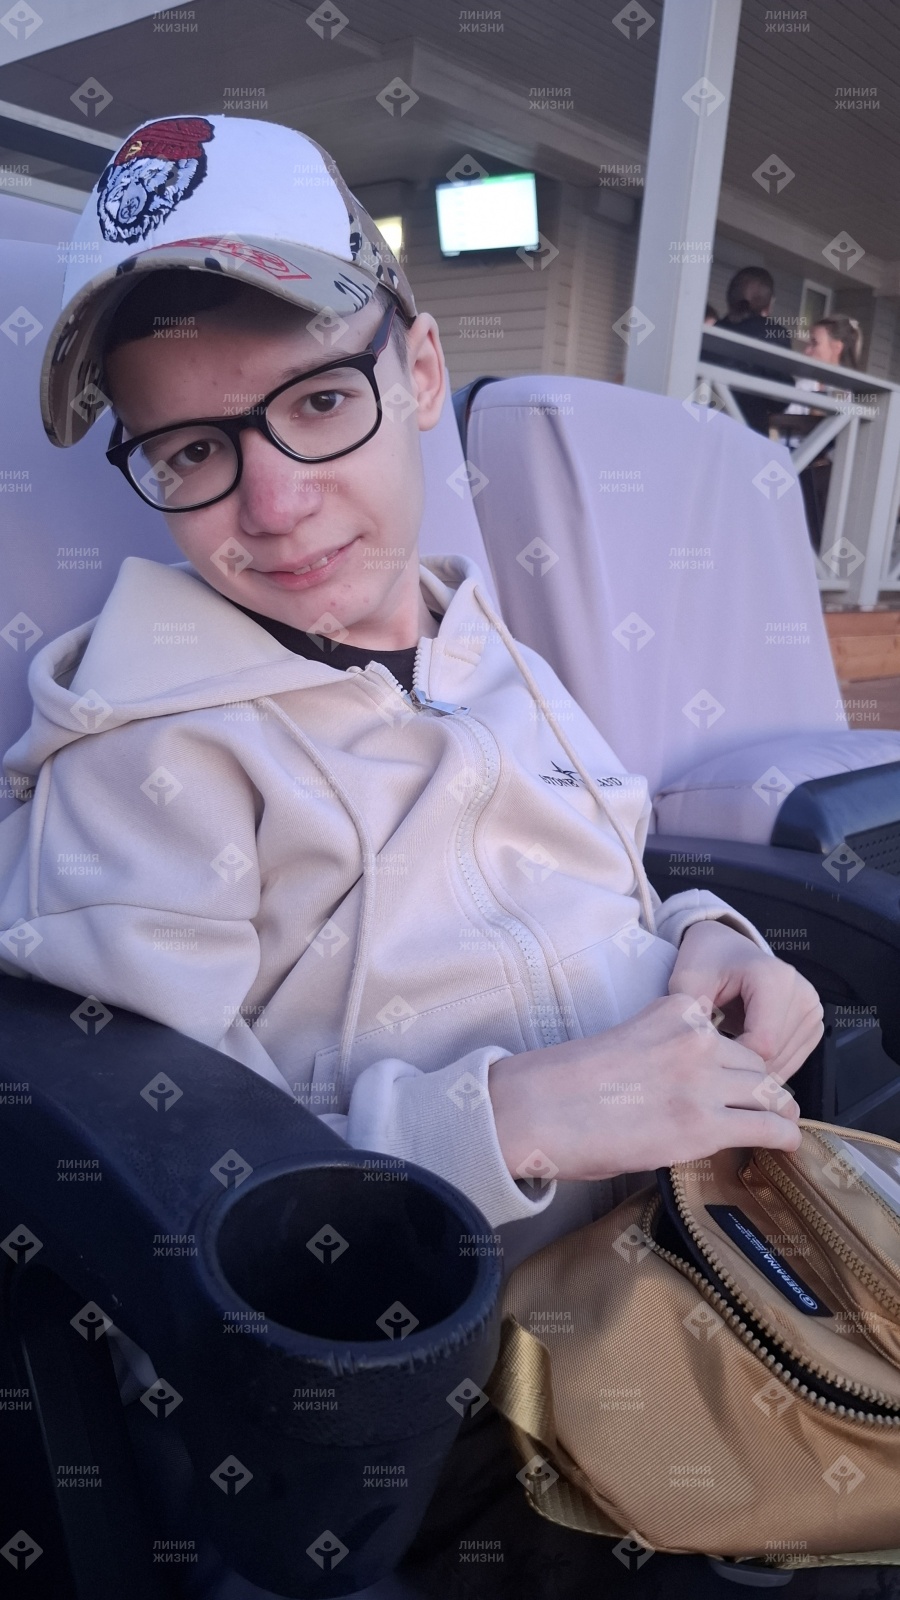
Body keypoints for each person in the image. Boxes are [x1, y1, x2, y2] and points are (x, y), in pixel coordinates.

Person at [0, 114, 823, 1591]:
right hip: (455, 1425)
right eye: (192, 448)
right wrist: (507, 1122)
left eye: (319, 401)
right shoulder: (144, 762)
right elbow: (157, 1212)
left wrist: (713, 941)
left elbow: (612, 873)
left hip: (700, 1268)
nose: (273, 501)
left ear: (421, 373)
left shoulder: (489, 645)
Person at [786, 317, 864, 553]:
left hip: (828, 477)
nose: (807, 350)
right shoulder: (802, 384)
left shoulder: (850, 393)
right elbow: (783, 429)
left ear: (836, 347)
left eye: (814, 343)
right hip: (795, 468)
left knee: (821, 539)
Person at [704, 266, 793, 434]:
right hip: (747, 434)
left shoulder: (710, 332)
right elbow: (780, 401)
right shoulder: (774, 333)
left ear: (729, 298)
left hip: (705, 430)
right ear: (769, 303)